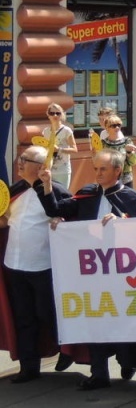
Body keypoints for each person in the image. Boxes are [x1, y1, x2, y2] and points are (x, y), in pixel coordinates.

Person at [38, 149, 136, 390]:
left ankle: (127, 361)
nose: (97, 173)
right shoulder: (87, 193)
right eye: (96, 168)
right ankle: (99, 373)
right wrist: (48, 187)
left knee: (123, 320)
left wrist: (124, 221)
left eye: (103, 169)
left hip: (123, 272)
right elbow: (57, 208)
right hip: (91, 272)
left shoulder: (130, 197)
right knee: (94, 319)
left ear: (118, 171)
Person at [0, 146, 71, 383]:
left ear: (41, 167)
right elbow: (5, 219)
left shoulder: (55, 191)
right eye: (20, 158)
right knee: (24, 317)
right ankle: (28, 368)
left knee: (47, 314)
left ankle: (66, 350)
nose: (19, 163)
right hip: (14, 264)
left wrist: (61, 219)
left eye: (25, 159)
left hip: (43, 265)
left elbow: (70, 215)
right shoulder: (15, 190)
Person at [41, 103, 78, 188]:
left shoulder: (66, 130)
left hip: (63, 170)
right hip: (49, 169)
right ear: (48, 114)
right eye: (52, 113)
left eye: (58, 113)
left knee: (62, 195)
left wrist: (59, 149)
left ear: (62, 114)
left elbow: (75, 149)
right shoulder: (46, 131)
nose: (55, 115)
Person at [101, 115, 136, 185]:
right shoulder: (103, 143)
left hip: (126, 180)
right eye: (113, 126)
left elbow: (135, 162)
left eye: (118, 125)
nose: (117, 127)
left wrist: (129, 153)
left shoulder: (127, 141)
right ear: (107, 128)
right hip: (109, 179)